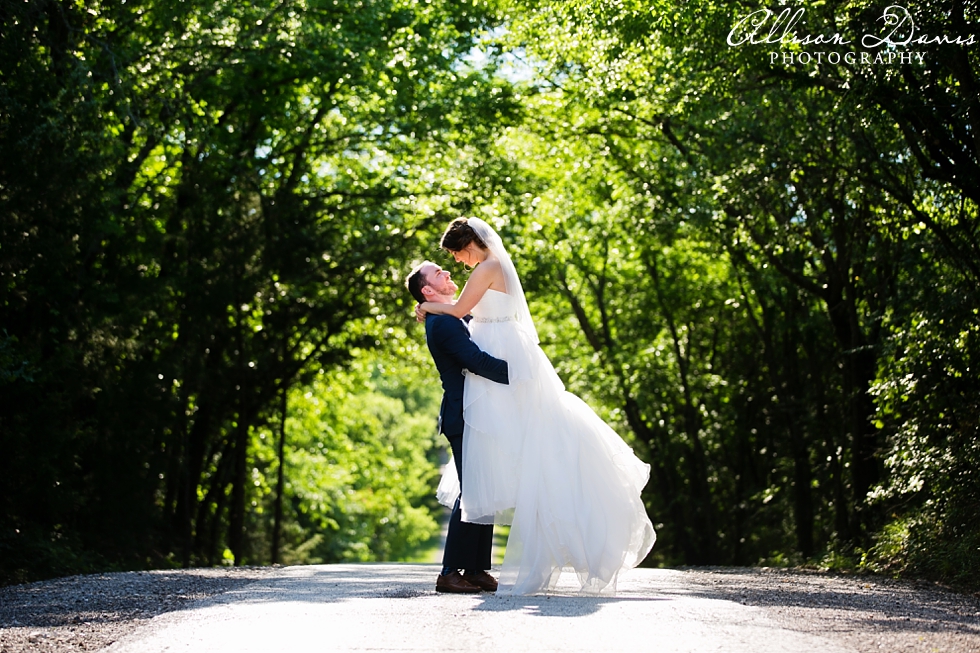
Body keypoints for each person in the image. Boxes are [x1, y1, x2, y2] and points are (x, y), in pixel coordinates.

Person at [416, 217, 656, 595]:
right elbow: (466, 332)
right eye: (445, 265)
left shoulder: (484, 269)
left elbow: (461, 310)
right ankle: (460, 570)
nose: (456, 264)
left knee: (483, 482)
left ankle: (473, 569)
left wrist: (430, 308)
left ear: (468, 246)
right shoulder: (494, 268)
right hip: (490, 380)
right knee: (480, 483)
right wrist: (430, 309)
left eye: (455, 256)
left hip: (496, 374)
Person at [406, 260, 510, 594]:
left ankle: (476, 569)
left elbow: (476, 319)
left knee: (484, 489)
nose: (448, 273)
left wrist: (427, 305)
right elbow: (477, 362)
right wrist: (520, 373)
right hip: (463, 417)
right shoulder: (442, 325)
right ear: (427, 289)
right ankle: (449, 572)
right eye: (439, 273)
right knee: (472, 490)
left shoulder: (446, 316)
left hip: (476, 415)